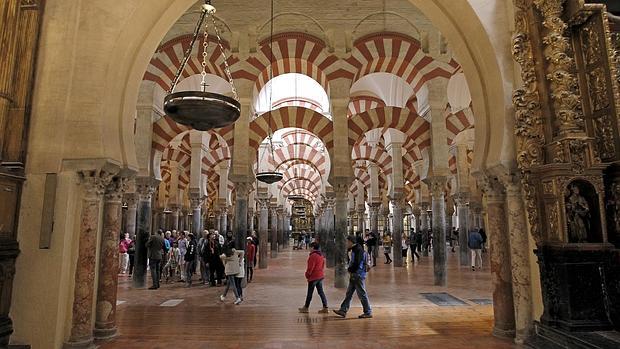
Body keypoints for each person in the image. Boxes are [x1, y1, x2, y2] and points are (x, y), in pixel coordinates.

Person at [333, 235, 372, 319]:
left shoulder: (358, 250)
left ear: (351, 242)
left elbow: (357, 263)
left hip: (358, 274)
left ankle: (368, 311)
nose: (346, 243)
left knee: (362, 294)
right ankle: (343, 310)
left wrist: (350, 269)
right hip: (355, 274)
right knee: (349, 293)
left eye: (347, 242)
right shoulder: (354, 249)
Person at [298, 242, 329, 314]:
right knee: (321, 292)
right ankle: (325, 307)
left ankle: (306, 307)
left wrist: (307, 275)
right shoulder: (320, 255)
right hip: (320, 276)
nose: (309, 249)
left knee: (310, 293)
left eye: (310, 247)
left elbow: (310, 268)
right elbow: (322, 265)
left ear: (312, 247)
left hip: (313, 277)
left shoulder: (313, 256)